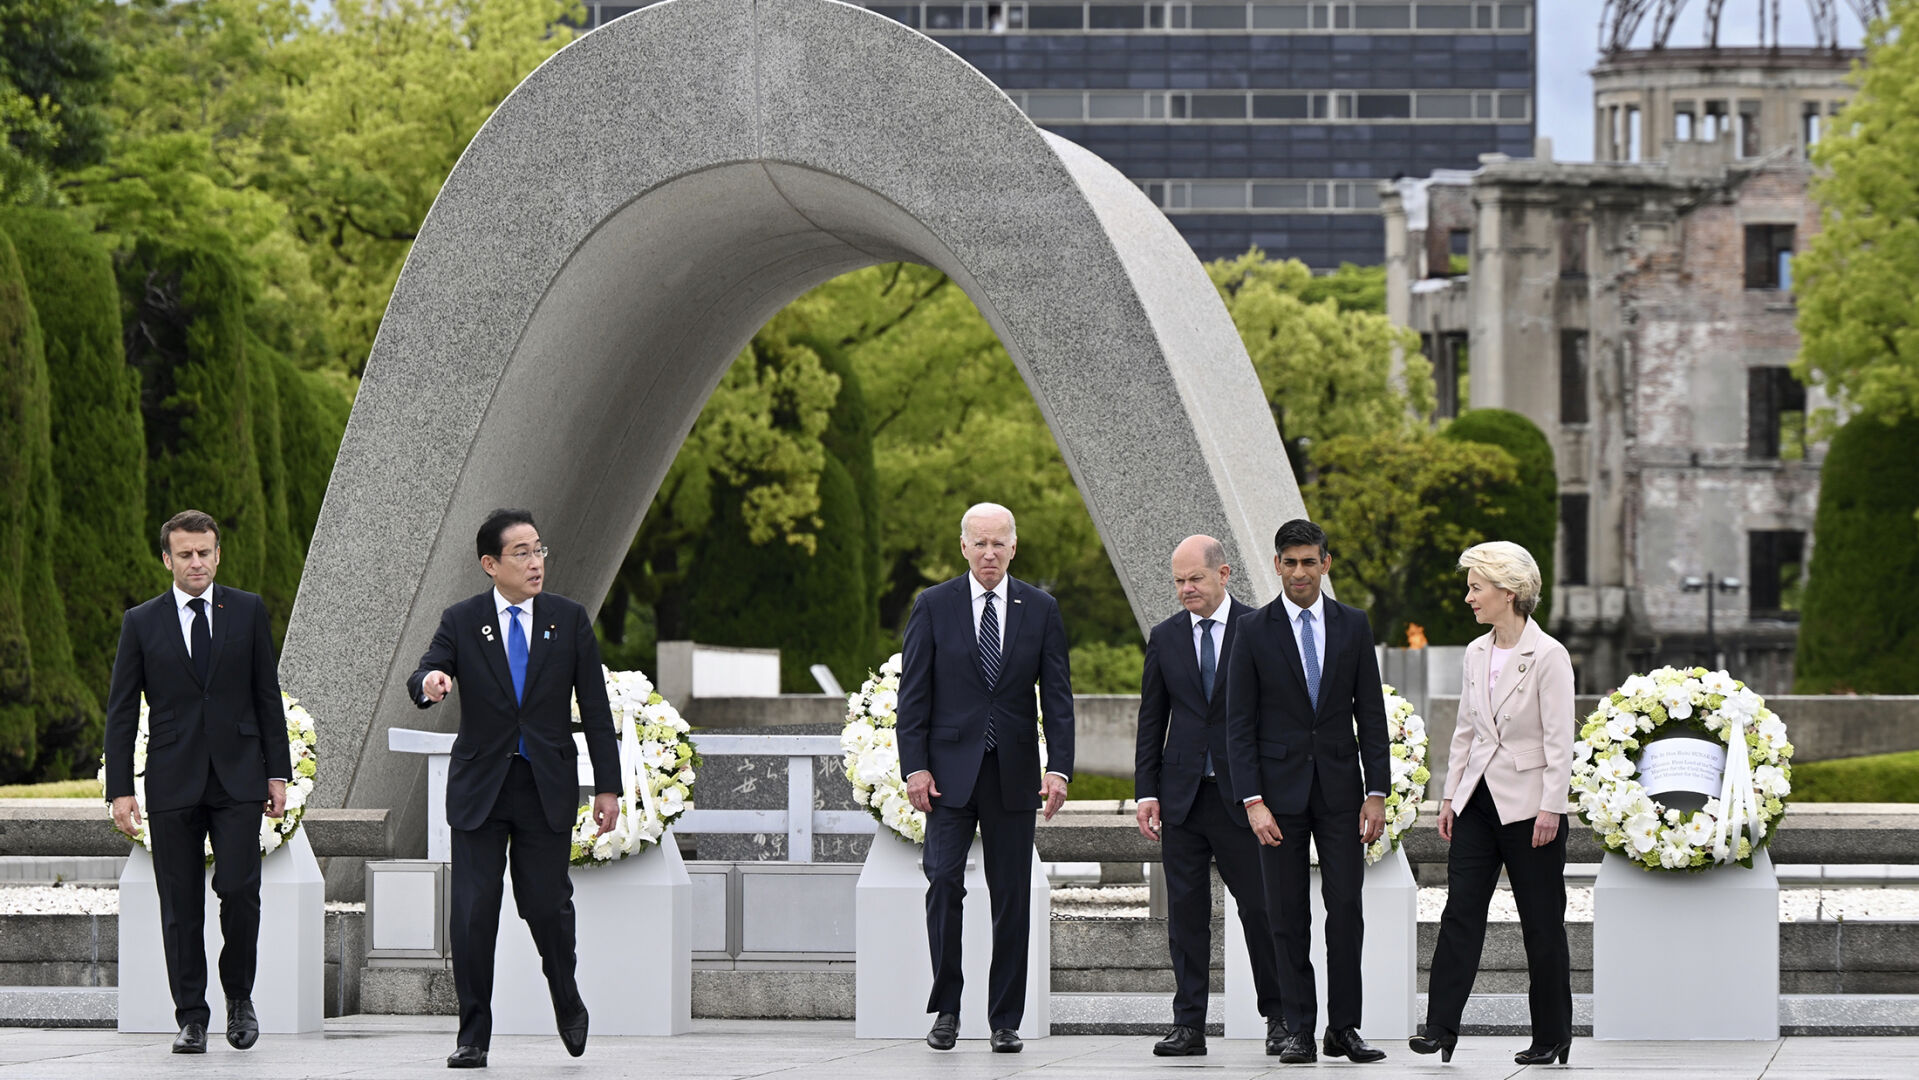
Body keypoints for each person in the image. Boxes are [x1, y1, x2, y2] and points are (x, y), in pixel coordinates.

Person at [407, 509, 622, 1069]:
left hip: (544, 786)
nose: (535, 562)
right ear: (490, 564)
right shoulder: (462, 620)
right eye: (521, 553)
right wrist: (430, 684)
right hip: (482, 789)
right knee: (474, 912)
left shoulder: (568, 620)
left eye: (539, 550)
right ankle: (473, 1033)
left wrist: (608, 787)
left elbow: (595, 711)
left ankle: (566, 997)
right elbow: (428, 671)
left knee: (546, 907)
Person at [103, 509, 293, 1055]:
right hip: (171, 781)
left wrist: (276, 772)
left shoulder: (248, 611)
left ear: (217, 554)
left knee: (240, 890)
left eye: (204, 552)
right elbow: (120, 711)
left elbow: (266, 696)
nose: (196, 562)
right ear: (167, 559)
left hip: (239, 779)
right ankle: (190, 1016)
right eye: (184, 554)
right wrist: (120, 789)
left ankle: (239, 999)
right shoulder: (141, 622)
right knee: (180, 904)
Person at [897, 502, 1075, 1054]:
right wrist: (915, 766)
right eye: (980, 543)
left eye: (1000, 543)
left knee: (1011, 898)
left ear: (1014, 547)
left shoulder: (1040, 608)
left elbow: (1059, 698)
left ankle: (1005, 1020)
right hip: (948, 775)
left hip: (1014, 775)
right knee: (944, 884)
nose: (990, 553)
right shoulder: (934, 605)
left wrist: (1060, 769)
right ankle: (947, 1008)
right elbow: (914, 696)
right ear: (964, 547)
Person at [1224, 518, 1390, 1064]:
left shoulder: (1353, 625)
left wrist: (1377, 793)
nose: (1299, 571)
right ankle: (1296, 1027)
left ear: (1326, 563)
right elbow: (1238, 724)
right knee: (1285, 914)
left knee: (1346, 910)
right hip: (1276, 798)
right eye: (1289, 562)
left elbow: (1371, 713)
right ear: (1276, 565)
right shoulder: (1252, 630)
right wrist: (1252, 800)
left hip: (1343, 792)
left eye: (1308, 561)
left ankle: (1344, 1028)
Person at [1411, 541, 1574, 1066]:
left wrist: (1552, 807)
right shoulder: (1476, 651)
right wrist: (1450, 797)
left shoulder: (1549, 655)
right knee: (1460, 913)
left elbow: (1559, 741)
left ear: (1508, 592)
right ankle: (1440, 1028)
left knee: (1540, 924)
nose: (1468, 597)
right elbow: (1465, 732)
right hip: (1477, 803)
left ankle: (1552, 1035)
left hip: (1531, 810)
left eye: (1476, 587)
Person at [1134, 535, 1288, 1057]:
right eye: (1178, 581)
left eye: (1194, 578)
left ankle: (1280, 1018)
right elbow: (1151, 720)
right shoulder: (1166, 637)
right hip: (1182, 800)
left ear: (1224, 574)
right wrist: (1145, 793)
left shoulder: (1260, 629)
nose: (1185, 589)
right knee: (1185, 914)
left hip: (1243, 799)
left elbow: (1275, 718)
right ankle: (1189, 1025)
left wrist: (1266, 793)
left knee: (1261, 911)